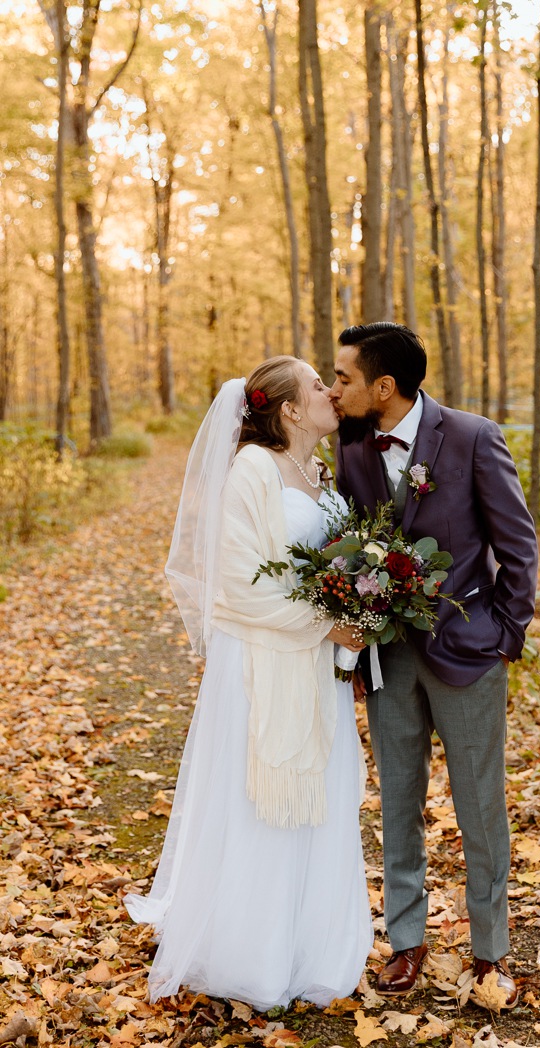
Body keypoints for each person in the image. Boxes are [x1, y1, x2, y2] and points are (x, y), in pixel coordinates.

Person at [125, 357, 373, 1010]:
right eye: (318, 384)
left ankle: (311, 947)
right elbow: (237, 587)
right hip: (261, 662)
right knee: (261, 803)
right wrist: (328, 623)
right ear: (289, 410)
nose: (330, 391)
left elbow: (330, 567)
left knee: (324, 791)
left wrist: (359, 610)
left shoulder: (320, 475)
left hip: (313, 664)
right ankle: (251, 954)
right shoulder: (251, 471)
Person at [330, 323, 538, 1007]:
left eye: (344, 377)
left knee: (480, 806)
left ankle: (489, 951)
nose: (336, 390)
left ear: (383, 387)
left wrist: (505, 633)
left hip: (470, 652)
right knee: (397, 801)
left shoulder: (473, 437)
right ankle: (407, 940)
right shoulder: (353, 446)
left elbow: (516, 543)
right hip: (388, 657)